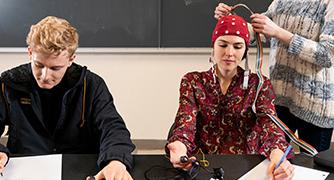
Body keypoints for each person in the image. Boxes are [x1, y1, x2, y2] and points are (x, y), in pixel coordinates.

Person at [0, 16, 135, 180]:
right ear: (30, 53)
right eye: (39, 65)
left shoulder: (91, 85)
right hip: (25, 167)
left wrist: (116, 160)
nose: (45, 76)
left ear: (71, 59)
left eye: (55, 68)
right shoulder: (8, 83)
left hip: (79, 167)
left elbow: (113, 128)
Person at [167, 15, 294, 179]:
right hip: (204, 164)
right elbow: (186, 122)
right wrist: (179, 146)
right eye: (223, 44)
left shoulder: (259, 84)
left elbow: (269, 125)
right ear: (213, 45)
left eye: (237, 46)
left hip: (246, 166)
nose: (229, 53)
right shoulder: (192, 81)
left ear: (245, 50)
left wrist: (277, 154)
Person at [214, 1, 334, 152]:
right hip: (279, 100)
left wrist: (278, 32)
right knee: (273, 160)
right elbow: (258, 33)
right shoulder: (281, 1)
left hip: (315, 106)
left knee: (313, 170)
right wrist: (232, 22)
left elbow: (328, 56)